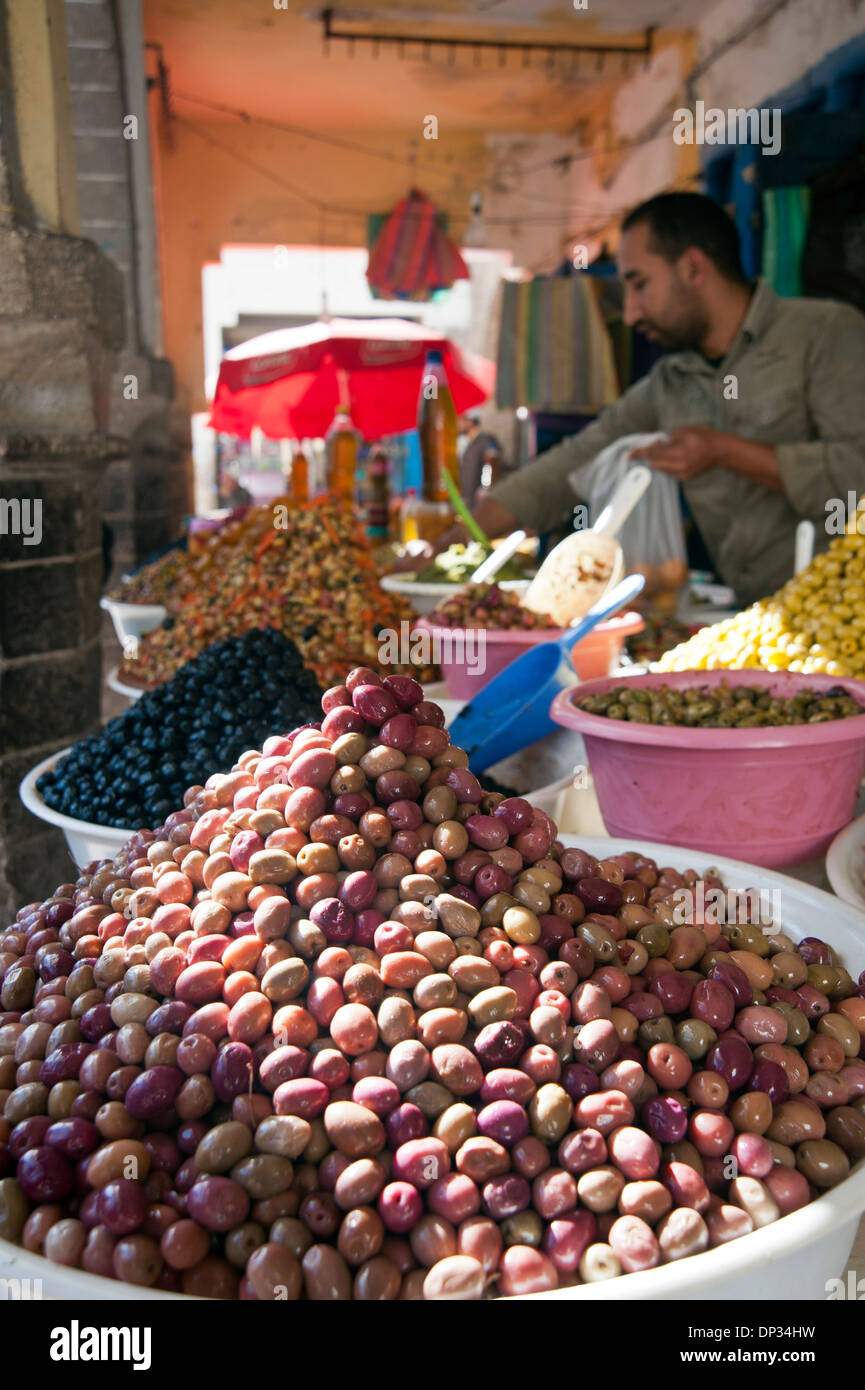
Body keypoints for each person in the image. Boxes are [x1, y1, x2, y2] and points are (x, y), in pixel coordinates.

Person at [454, 192, 865, 605]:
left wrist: (725, 452)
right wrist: (457, 538)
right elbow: (572, 463)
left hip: (845, 618)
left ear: (692, 268)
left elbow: (857, 474)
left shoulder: (825, 333)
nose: (630, 314)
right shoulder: (671, 381)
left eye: (639, 285)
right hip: (750, 621)